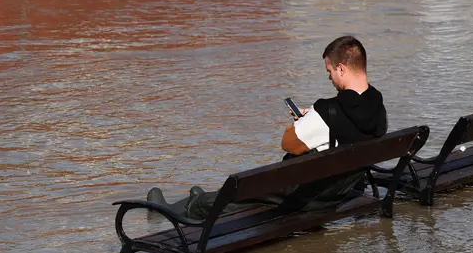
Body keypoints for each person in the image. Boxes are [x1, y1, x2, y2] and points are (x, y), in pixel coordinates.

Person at [146, 35, 388, 218]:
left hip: (308, 196)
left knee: (242, 192)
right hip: (337, 192)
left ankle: (183, 208)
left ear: (342, 69)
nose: (330, 79)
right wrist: (313, 119)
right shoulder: (377, 104)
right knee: (249, 194)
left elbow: (289, 144)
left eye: (329, 72)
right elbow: (347, 131)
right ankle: (203, 199)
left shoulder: (329, 110)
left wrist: (306, 120)